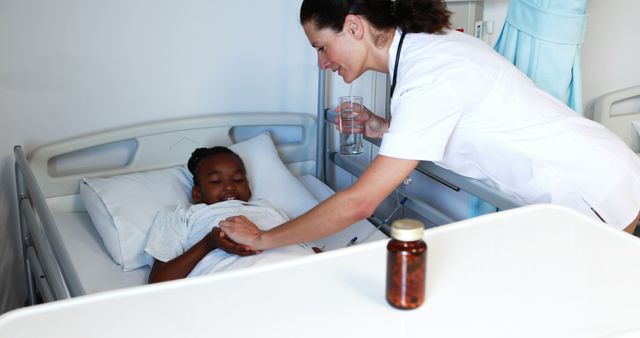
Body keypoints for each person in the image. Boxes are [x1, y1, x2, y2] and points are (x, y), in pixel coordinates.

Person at [219, 0, 640, 250]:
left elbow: (359, 203)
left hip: (597, 190)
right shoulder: (428, 50)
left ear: (353, 26)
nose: (322, 62)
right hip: (598, 173)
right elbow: (454, 119)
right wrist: (385, 128)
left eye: (322, 46)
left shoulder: (429, 74)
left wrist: (264, 239)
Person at [145, 146, 315, 283]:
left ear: (248, 188)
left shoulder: (268, 209)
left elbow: (306, 248)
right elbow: (159, 282)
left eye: (238, 179)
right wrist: (209, 243)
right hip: (236, 282)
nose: (229, 186)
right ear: (197, 193)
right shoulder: (182, 215)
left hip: (297, 271)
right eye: (216, 181)